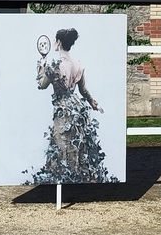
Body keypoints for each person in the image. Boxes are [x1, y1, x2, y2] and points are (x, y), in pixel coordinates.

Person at [27, 27, 116, 185]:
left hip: (63, 110)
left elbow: (41, 85)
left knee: (62, 146)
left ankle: (64, 180)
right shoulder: (78, 65)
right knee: (77, 144)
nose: (53, 42)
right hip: (77, 108)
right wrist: (93, 103)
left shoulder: (53, 66)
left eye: (55, 40)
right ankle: (78, 178)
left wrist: (41, 67)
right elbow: (83, 90)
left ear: (59, 42)